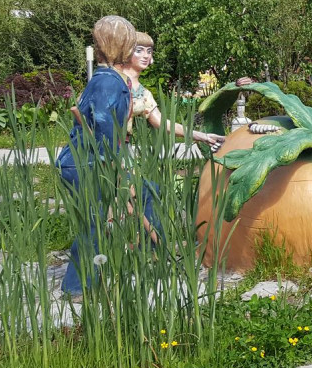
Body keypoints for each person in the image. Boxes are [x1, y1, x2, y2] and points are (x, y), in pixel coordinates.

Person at [58, 16, 136, 296]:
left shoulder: (107, 79)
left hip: (89, 160)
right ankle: (77, 288)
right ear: (122, 44)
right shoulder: (108, 82)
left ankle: (87, 282)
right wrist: (114, 164)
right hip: (88, 163)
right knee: (93, 225)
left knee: (96, 223)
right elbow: (102, 123)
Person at [120, 32, 225, 150]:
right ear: (126, 52)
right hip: (105, 146)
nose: (146, 56)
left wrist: (203, 136)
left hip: (122, 148)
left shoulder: (143, 93)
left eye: (149, 51)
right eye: (139, 50)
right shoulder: (112, 80)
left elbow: (162, 123)